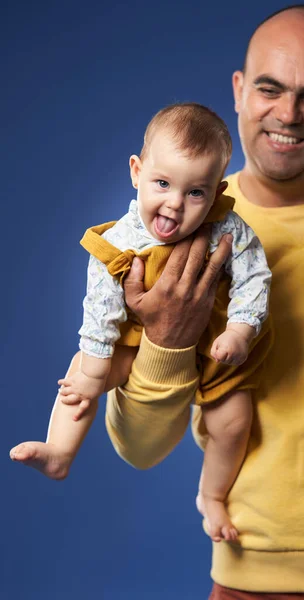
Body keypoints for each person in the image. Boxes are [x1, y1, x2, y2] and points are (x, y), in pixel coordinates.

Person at [100, 4, 304, 599]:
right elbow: (139, 449)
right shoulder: (166, 235)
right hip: (252, 579)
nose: (287, 115)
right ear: (240, 92)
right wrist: (169, 341)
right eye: (269, 88)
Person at [9, 103, 272, 543]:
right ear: (137, 171)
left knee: (233, 422)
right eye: (163, 183)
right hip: (134, 347)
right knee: (79, 378)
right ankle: (60, 451)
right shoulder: (120, 241)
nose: (174, 204)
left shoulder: (229, 228)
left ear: (216, 191)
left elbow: (254, 275)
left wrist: (241, 330)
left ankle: (211, 495)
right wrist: (96, 369)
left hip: (218, 348)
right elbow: (101, 308)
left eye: (195, 193)